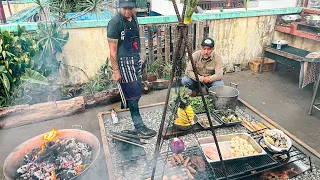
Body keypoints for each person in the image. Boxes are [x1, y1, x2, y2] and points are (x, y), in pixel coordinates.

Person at [107, 0, 156, 138]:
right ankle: (139, 127)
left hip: (134, 58)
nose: (127, 11)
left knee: (137, 90)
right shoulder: (115, 23)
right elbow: (112, 51)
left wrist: (139, 56)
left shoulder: (134, 18)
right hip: (123, 61)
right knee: (133, 94)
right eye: (124, 9)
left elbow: (136, 40)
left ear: (135, 8)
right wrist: (116, 71)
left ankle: (136, 119)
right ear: (120, 7)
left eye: (130, 8)